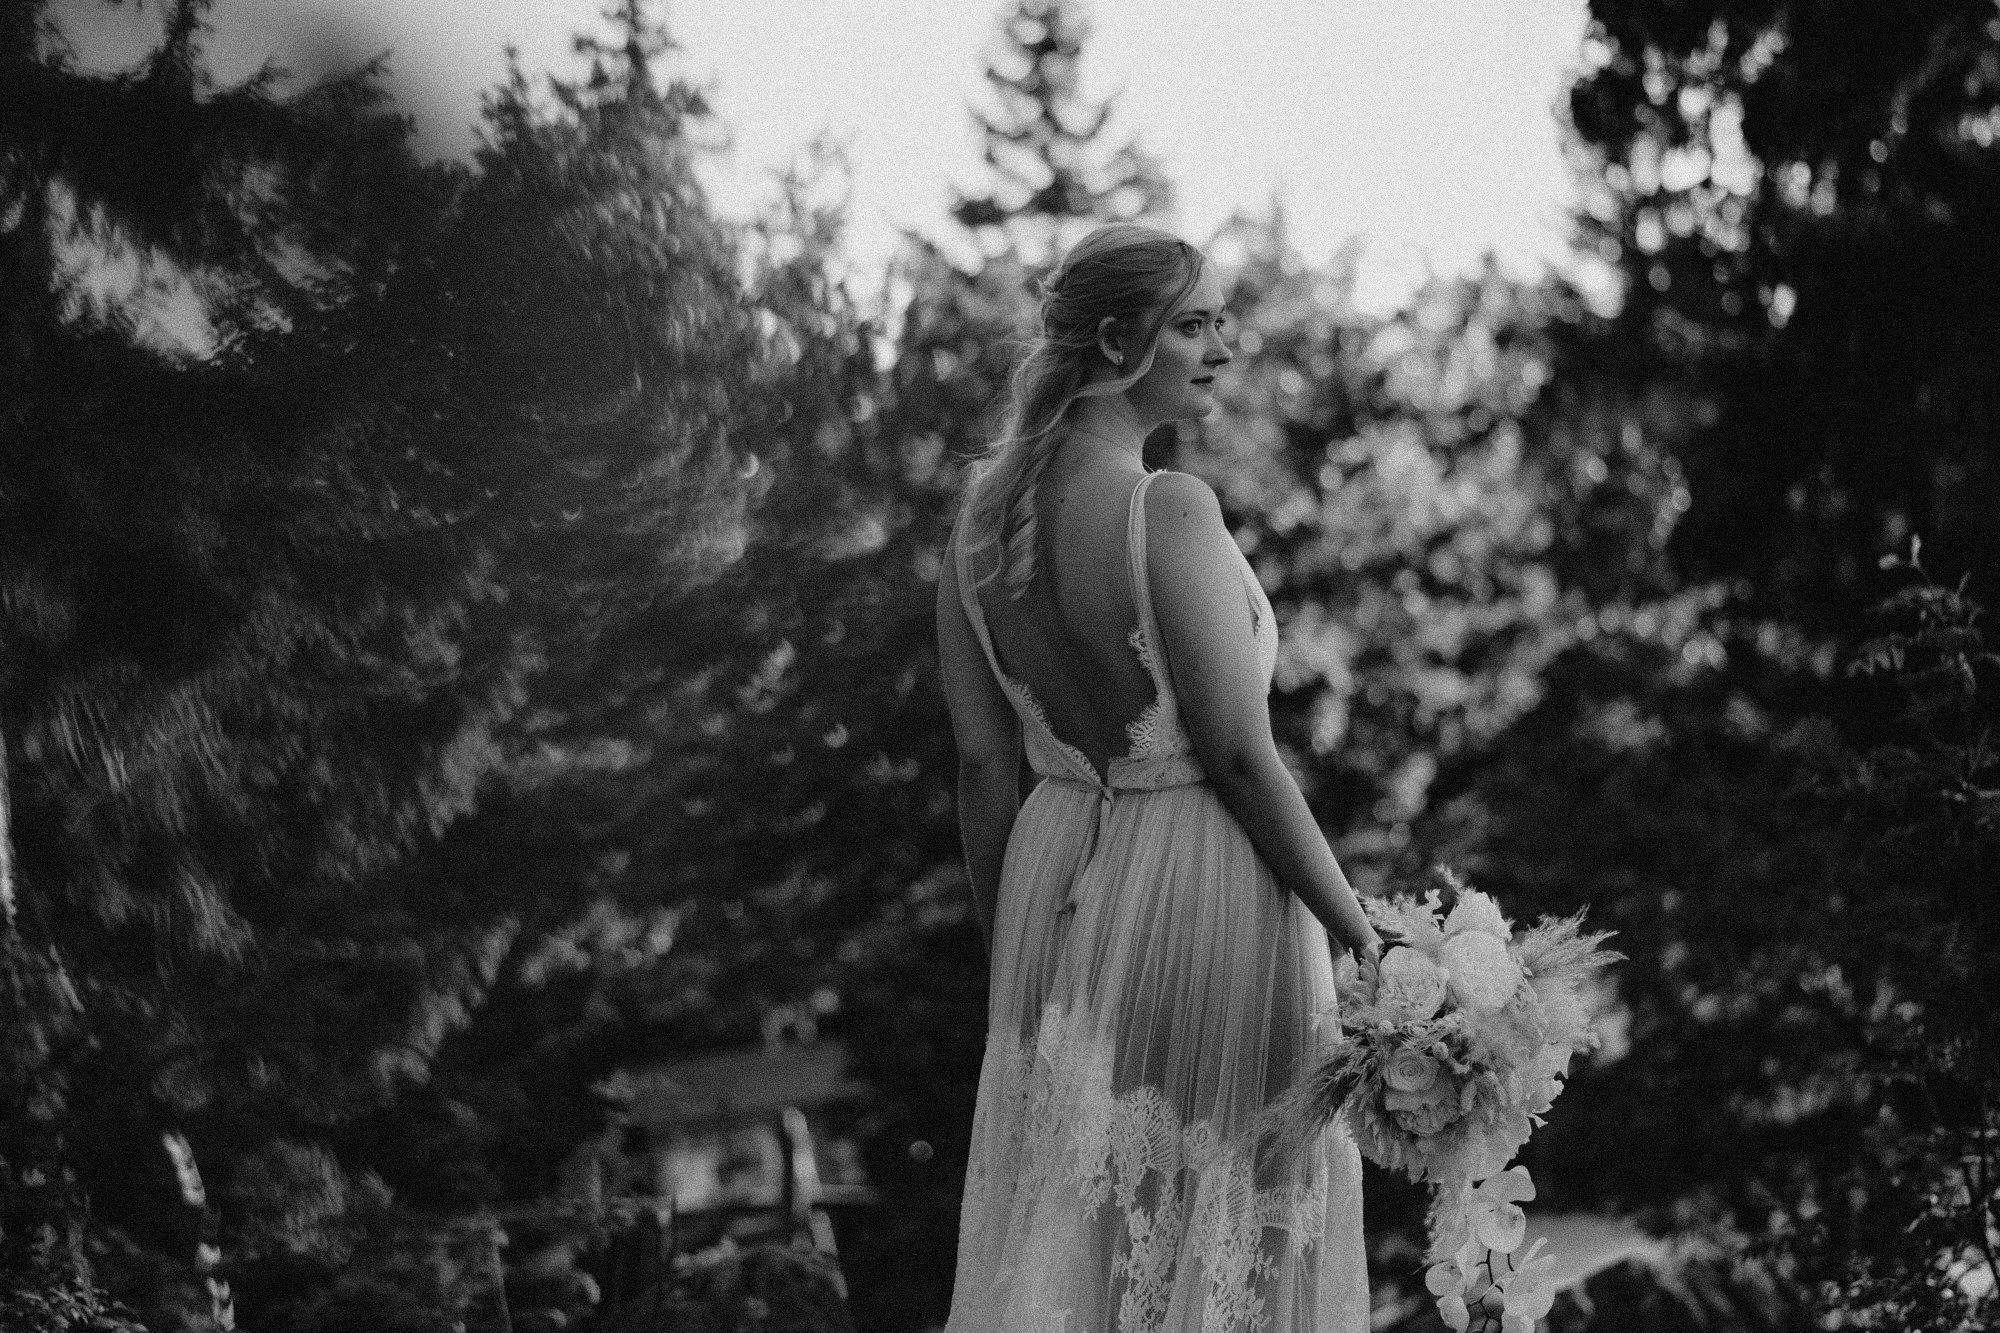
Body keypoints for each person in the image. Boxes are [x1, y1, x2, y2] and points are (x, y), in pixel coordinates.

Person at [936, 221, 1381, 1333]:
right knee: (1224, 1227)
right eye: (1193, 324)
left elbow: (984, 763)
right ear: (1112, 338)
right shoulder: (1164, 507)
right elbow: (1234, 752)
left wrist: (1016, 956)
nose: (1223, 345)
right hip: (1199, 889)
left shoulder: (978, 531)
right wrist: (1363, 932)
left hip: (1056, 885)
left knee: (1088, 1233)